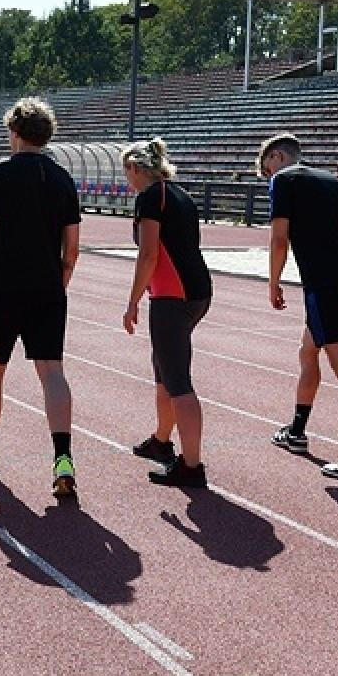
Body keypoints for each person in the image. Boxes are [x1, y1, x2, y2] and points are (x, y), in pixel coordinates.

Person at [0, 98, 82, 496]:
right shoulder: (63, 179)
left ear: (14, 132)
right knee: (52, 373)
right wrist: (60, 282)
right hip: (48, 288)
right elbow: (73, 248)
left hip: (4, 288)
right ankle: (63, 457)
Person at [258, 133, 338, 480]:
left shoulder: (284, 181)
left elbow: (279, 237)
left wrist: (273, 281)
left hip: (323, 281)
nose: (268, 176)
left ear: (278, 157)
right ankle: (297, 430)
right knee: (308, 350)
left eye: (267, 168)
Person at [120, 139, 211, 488]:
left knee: (177, 381)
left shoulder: (149, 198)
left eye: (125, 170)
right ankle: (161, 440)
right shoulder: (179, 194)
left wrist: (132, 302)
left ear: (135, 168)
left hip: (174, 296)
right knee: (164, 370)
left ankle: (192, 466)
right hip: (194, 290)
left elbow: (149, 254)